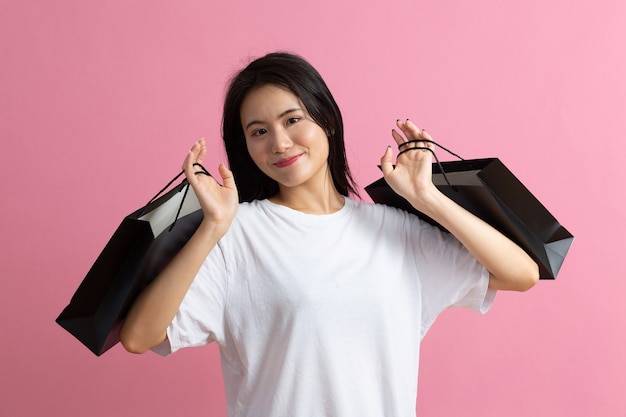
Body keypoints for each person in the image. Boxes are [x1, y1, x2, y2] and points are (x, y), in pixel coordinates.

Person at [119, 52, 539, 417]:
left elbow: (521, 273)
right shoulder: (236, 234)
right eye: (259, 131)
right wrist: (212, 227)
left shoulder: (395, 233)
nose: (280, 143)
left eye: (293, 119)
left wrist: (427, 198)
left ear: (328, 121)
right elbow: (139, 337)